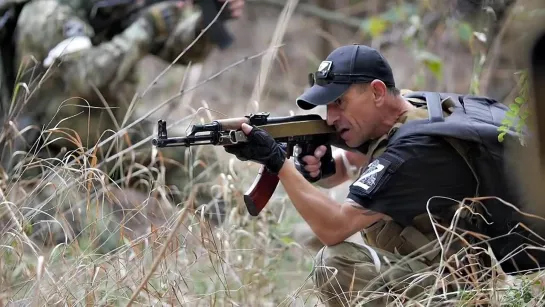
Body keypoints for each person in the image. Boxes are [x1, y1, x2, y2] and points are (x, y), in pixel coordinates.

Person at [222, 44, 545, 306]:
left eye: (339, 103)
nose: (331, 117)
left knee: (337, 262)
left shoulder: (416, 150)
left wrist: (279, 162)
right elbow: (357, 162)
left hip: (454, 291)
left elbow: (335, 228)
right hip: (445, 271)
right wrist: (329, 167)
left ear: (377, 92)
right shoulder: (416, 107)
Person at [4, 0, 245, 250]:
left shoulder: (113, 9)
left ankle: (250, 241)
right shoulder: (48, 12)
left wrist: (204, 24)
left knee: (192, 156)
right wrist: (148, 26)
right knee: (101, 244)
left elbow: (179, 50)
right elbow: (87, 77)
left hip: (110, 140)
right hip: (45, 157)